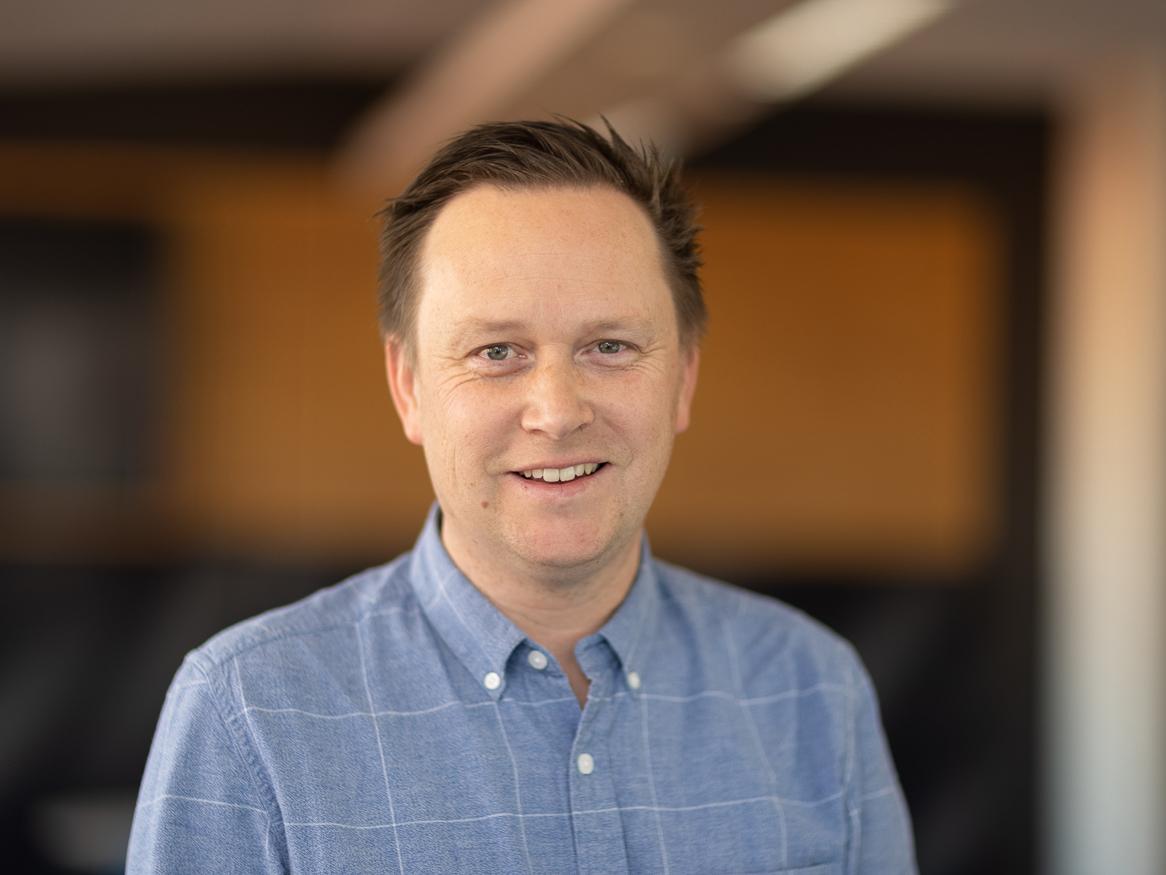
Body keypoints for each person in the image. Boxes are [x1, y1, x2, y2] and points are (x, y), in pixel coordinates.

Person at [127, 118, 916, 873]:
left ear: (682, 378)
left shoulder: (811, 687)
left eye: (609, 346)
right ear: (408, 387)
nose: (558, 410)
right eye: (496, 350)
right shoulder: (249, 711)